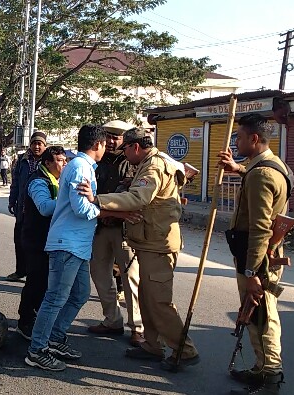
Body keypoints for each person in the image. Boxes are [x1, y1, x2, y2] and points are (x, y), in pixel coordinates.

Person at [24, 125, 139, 371]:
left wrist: (104, 205)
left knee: (79, 294)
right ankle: (37, 349)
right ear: (97, 145)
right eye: (106, 143)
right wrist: (115, 211)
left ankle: (54, 338)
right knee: (55, 297)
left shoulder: (84, 167)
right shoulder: (79, 167)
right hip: (67, 243)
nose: (108, 146)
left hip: (77, 245)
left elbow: (87, 204)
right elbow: (82, 209)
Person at [94, 127, 200, 371]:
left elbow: (138, 198)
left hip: (158, 244)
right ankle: (152, 345)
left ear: (135, 147)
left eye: (126, 150)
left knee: (159, 302)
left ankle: (184, 350)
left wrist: (98, 200)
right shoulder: (154, 162)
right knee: (147, 298)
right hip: (149, 240)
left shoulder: (153, 166)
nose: (125, 155)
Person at [218, 114, 291, 395]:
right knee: (256, 315)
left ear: (254, 139)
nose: (236, 141)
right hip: (261, 254)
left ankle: (269, 375)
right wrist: (237, 168)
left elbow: (260, 227)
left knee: (261, 316)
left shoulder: (261, 174)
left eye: (239, 137)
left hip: (258, 257)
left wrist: (252, 273)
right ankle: (261, 368)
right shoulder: (267, 166)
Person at [87, 120, 144, 347]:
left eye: (117, 138)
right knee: (100, 274)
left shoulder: (135, 162)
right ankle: (112, 320)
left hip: (124, 229)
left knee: (131, 279)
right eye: (108, 137)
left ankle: (138, 328)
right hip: (99, 227)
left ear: (125, 141)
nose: (112, 142)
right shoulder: (95, 162)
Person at [16, 146, 67, 340]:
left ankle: (36, 315)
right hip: (36, 240)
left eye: (64, 160)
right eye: (59, 160)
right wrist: (69, 200)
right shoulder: (38, 181)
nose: (63, 164)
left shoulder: (56, 180)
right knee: (35, 281)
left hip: (50, 239)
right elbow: (45, 208)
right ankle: (25, 320)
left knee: (46, 283)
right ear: (47, 163)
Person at [6, 132, 47, 282]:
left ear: (45, 145)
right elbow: (15, 182)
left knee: (37, 244)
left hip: (40, 210)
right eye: (34, 143)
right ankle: (20, 270)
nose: (37, 146)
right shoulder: (22, 159)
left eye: (40, 144)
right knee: (20, 241)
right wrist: (12, 200)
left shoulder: (48, 159)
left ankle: (35, 273)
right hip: (22, 209)